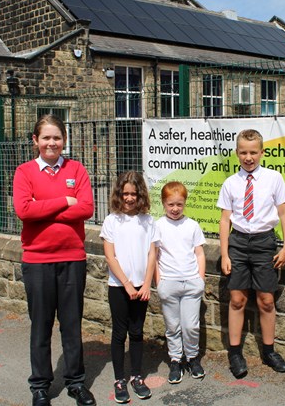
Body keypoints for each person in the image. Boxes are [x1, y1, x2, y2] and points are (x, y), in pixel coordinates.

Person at [12, 115, 96, 406]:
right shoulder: (24, 172)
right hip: (37, 261)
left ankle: (75, 382)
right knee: (41, 325)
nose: (52, 143)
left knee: (71, 325)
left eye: (57, 137)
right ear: (35, 141)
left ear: (64, 140)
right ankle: (40, 386)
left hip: (72, 258)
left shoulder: (76, 169)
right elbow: (23, 211)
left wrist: (42, 208)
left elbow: (86, 208)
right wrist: (64, 201)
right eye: (46, 138)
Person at [217, 129, 285, 379]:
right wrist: (225, 254)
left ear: (261, 152)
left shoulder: (274, 178)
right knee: (237, 300)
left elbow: (284, 213)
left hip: (264, 243)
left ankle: (269, 351)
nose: (248, 157)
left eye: (253, 152)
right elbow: (225, 220)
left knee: (266, 301)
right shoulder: (231, 183)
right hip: (238, 243)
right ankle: (235, 353)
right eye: (243, 152)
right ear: (237, 153)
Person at [100, 171, 157, 403]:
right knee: (119, 333)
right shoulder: (112, 220)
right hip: (119, 287)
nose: (130, 198)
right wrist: (126, 284)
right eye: (125, 194)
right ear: (119, 194)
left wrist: (146, 284)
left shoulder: (148, 221)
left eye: (134, 193)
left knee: (137, 332)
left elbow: (152, 254)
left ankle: (136, 376)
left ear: (140, 194)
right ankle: (119, 380)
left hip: (141, 287)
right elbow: (110, 257)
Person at [154, 181, 207, 384]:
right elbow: (155, 256)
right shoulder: (158, 226)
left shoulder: (192, 225)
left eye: (179, 204)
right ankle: (176, 359)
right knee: (172, 325)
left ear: (184, 203)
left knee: (191, 325)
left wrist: (200, 279)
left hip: (191, 282)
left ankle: (192, 357)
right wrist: (159, 282)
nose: (175, 209)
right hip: (169, 283)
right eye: (170, 204)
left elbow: (199, 253)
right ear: (163, 203)